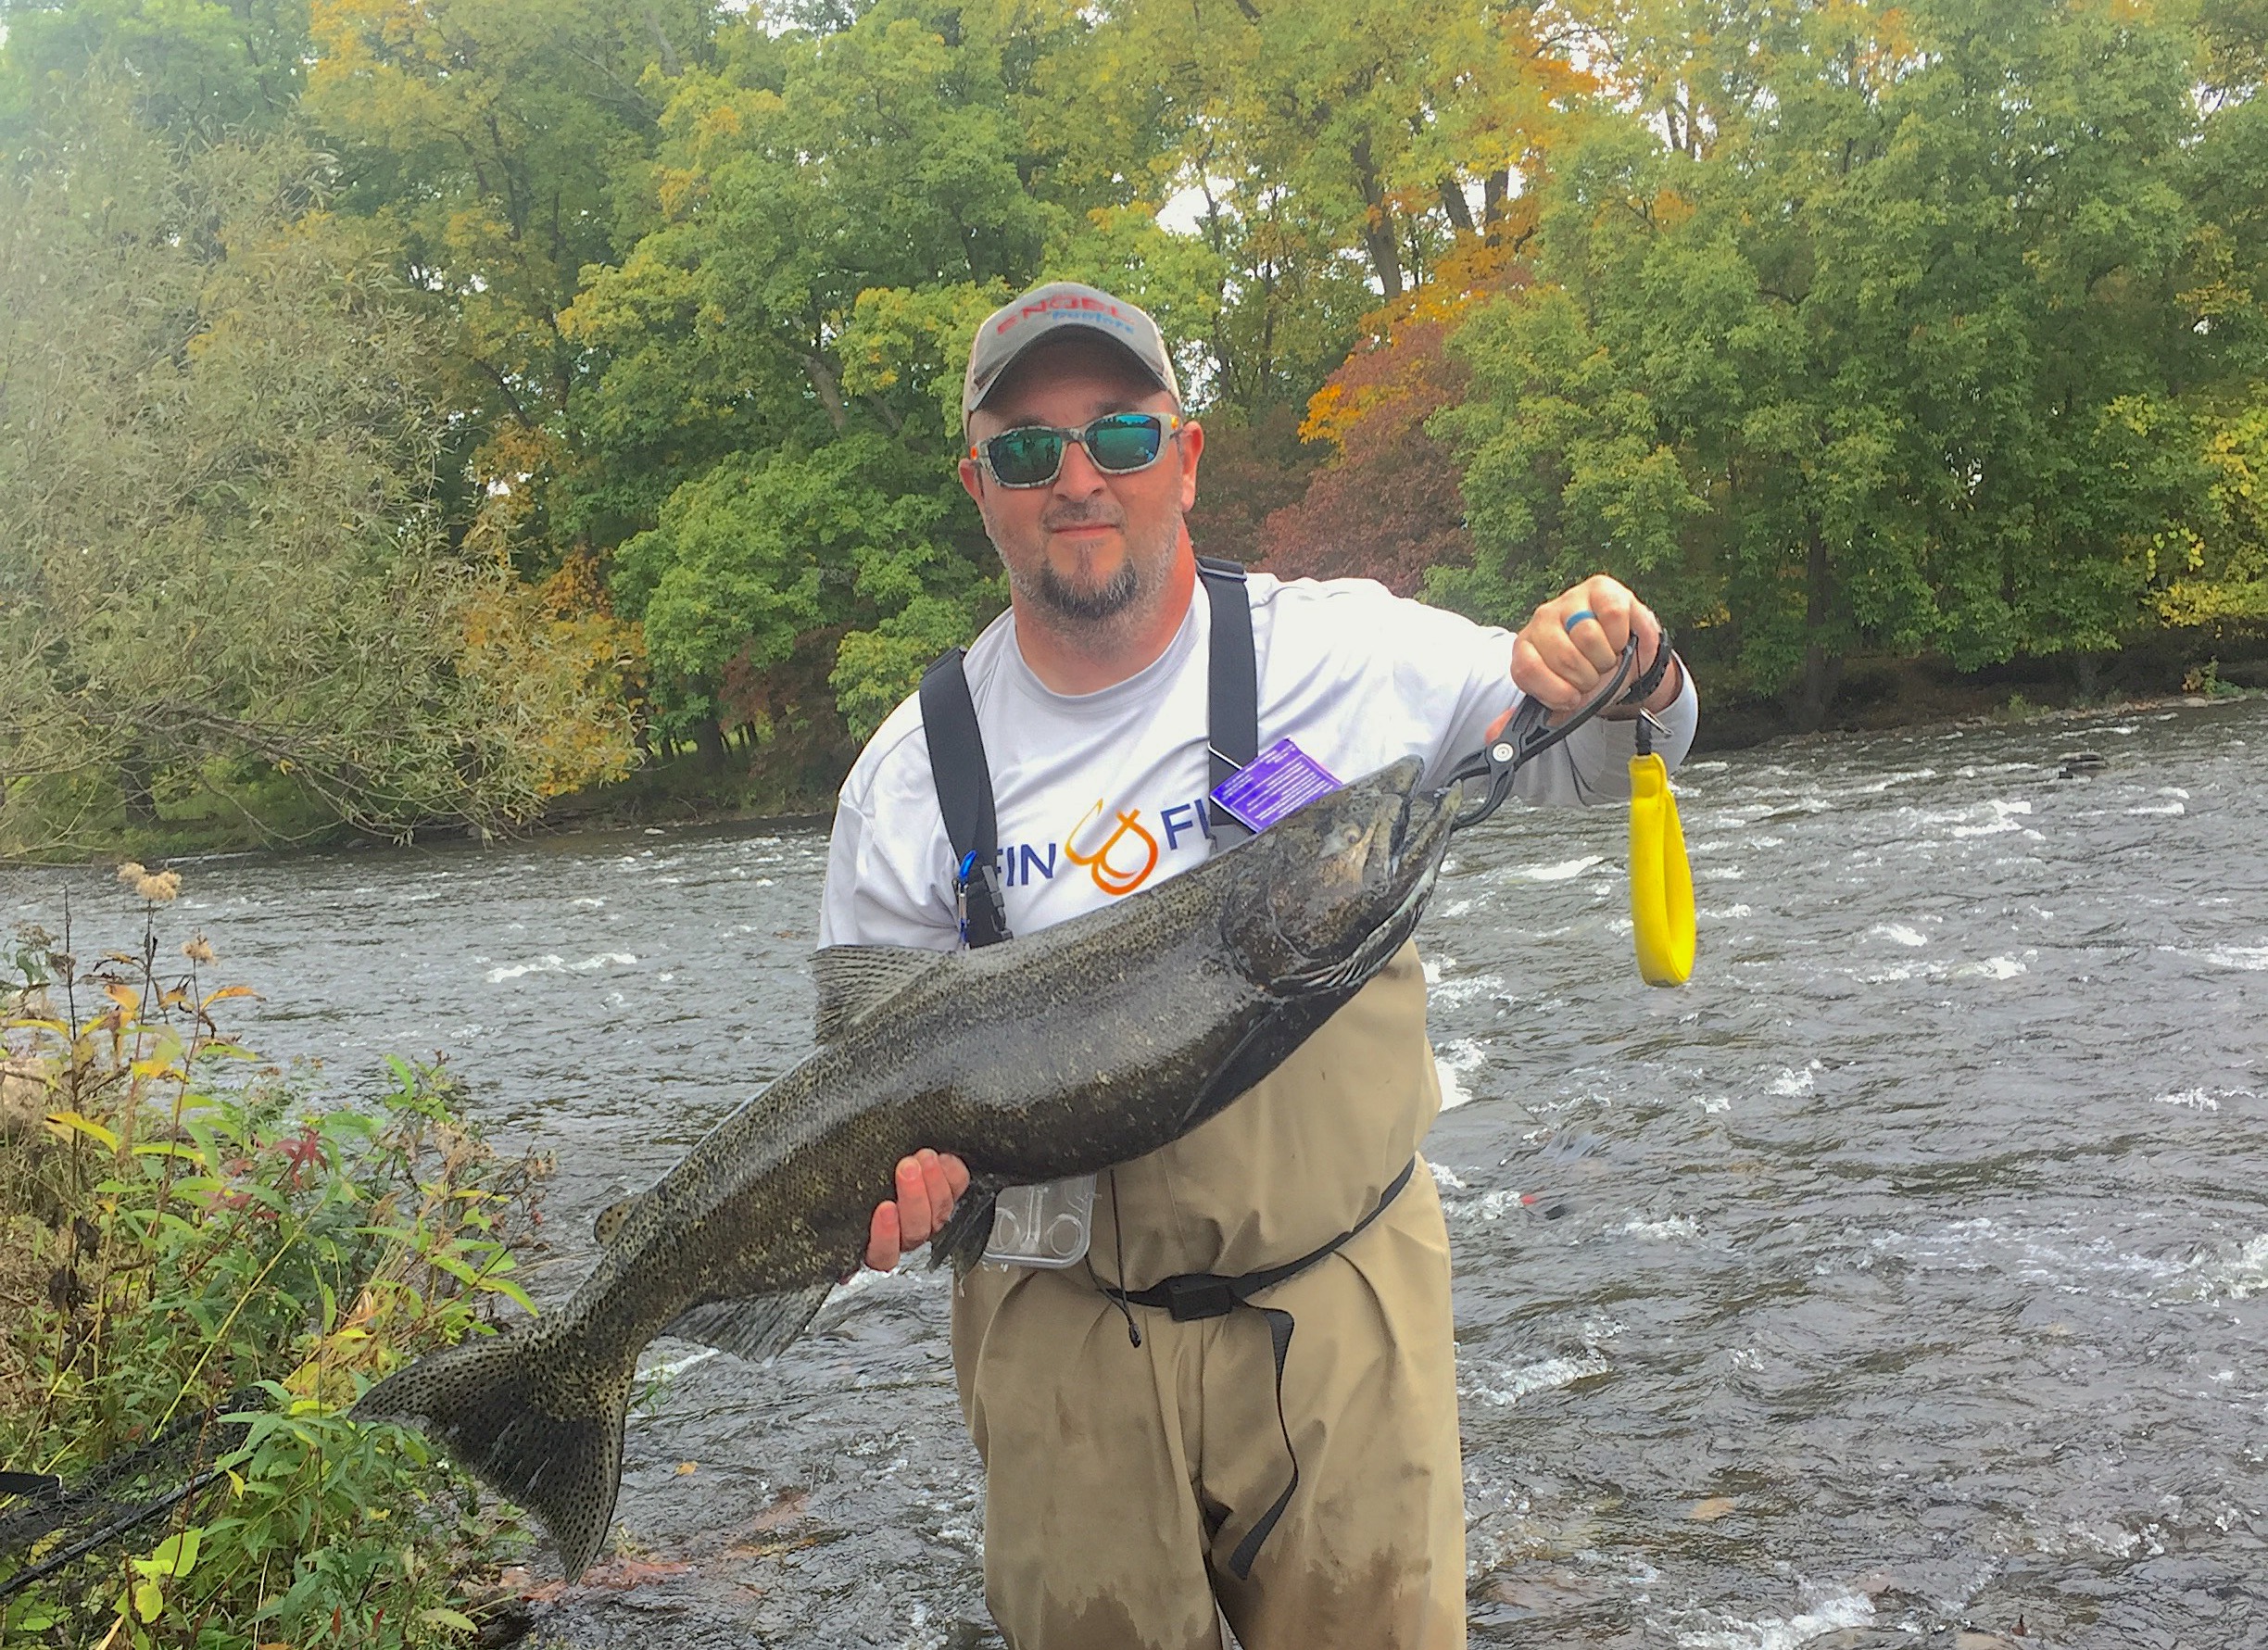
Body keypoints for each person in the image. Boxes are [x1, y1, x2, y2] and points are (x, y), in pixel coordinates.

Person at [817, 282, 1697, 1650]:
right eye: (1027, 450)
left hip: (1343, 1291)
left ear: (1186, 455)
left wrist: (1622, 660)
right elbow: (862, 1095)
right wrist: (903, 1198)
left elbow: (1597, 751)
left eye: (1117, 434)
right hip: (1058, 1328)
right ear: (978, 484)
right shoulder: (906, 782)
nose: (1077, 480)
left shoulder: (1345, 650)